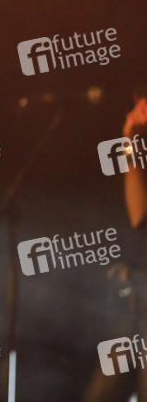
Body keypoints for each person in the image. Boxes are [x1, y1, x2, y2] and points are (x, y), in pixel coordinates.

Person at [82, 97, 147, 402]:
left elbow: (139, 214)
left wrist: (130, 140)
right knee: (101, 393)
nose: (138, 111)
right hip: (136, 296)